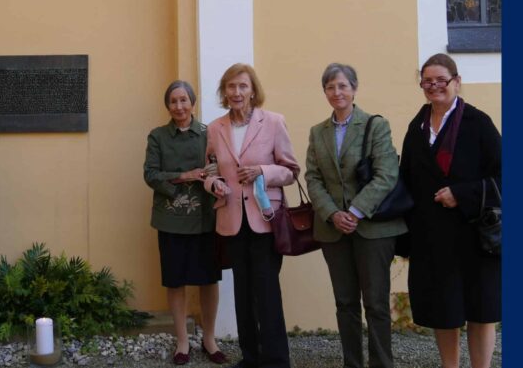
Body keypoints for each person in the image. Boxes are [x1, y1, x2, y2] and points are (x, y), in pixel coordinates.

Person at [400, 53, 501, 368]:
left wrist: (461, 194)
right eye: (427, 81)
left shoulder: (478, 122)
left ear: (457, 82)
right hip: (433, 237)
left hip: (475, 234)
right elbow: (405, 181)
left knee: (480, 309)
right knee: (445, 311)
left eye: (441, 80)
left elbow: (504, 175)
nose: (434, 86)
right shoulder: (416, 128)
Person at [304, 63, 407, 368]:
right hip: (333, 230)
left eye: (342, 86)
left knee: (375, 303)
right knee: (345, 303)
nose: (337, 92)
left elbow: (386, 174)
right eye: (330, 87)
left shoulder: (375, 125)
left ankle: (381, 364)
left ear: (354, 88)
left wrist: (355, 211)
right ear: (325, 92)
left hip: (373, 229)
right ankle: (352, 363)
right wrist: (333, 214)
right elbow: (313, 178)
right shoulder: (317, 132)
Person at [202, 63, 299, 368]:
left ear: (253, 90)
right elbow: (210, 168)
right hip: (231, 220)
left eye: (243, 86)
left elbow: (290, 171)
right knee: (242, 292)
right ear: (224, 92)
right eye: (231, 87)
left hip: (265, 220)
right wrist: (213, 183)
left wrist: (262, 171)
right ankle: (250, 357)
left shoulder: (273, 122)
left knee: (267, 292)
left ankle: (276, 360)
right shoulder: (215, 128)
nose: (237, 92)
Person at [143, 80, 227, 366]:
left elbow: (220, 167)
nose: (179, 106)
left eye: (183, 100)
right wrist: (185, 176)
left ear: (193, 102)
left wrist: (214, 177)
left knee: (209, 279)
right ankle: (181, 341)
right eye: (173, 101)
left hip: (206, 217)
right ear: (167, 105)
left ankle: (209, 338)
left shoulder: (210, 132)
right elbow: (151, 175)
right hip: (170, 220)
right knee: (175, 280)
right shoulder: (157, 137)